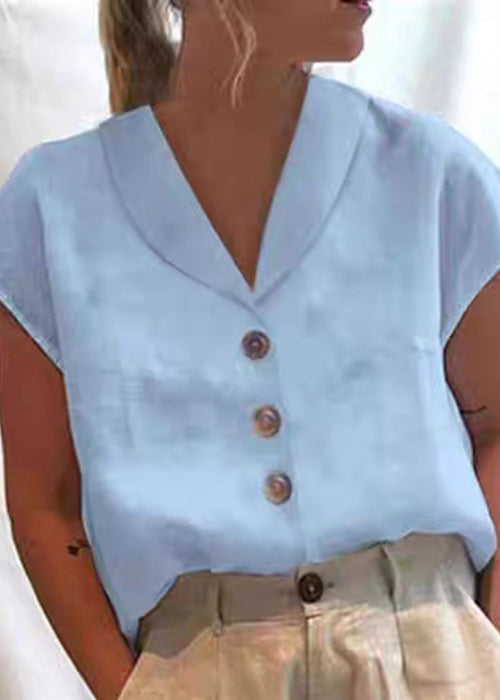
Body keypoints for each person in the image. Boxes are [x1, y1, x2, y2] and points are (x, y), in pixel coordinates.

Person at [1, 0, 500, 697]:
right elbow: (44, 503)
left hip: (437, 658)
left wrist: (481, 647)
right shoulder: (50, 209)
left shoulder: (432, 174)